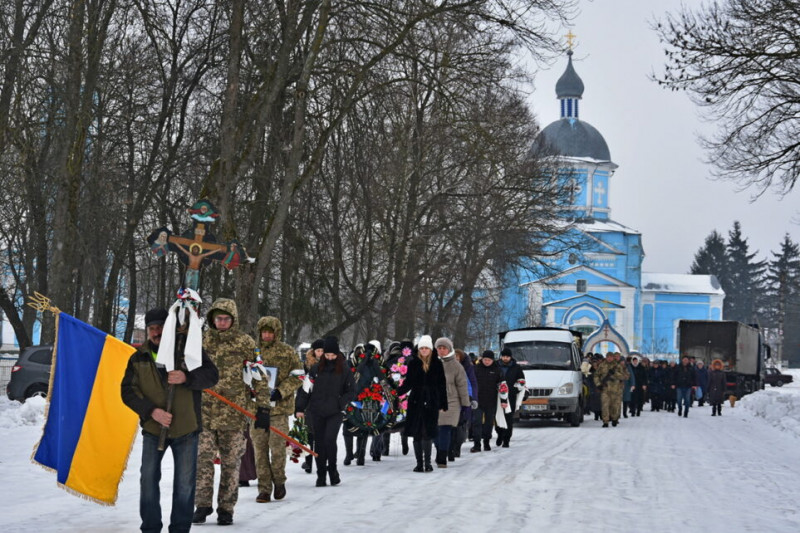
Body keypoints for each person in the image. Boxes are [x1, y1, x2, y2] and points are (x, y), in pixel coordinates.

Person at [121, 307, 219, 533]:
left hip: (186, 428)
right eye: (152, 328)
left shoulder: (188, 352)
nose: (156, 332)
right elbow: (127, 391)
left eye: (161, 327)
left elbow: (212, 375)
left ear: (170, 328)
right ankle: (151, 528)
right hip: (153, 429)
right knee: (147, 480)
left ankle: (180, 529)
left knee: (185, 485)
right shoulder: (139, 357)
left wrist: (187, 376)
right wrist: (151, 411)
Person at [193, 299, 256, 526]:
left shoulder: (245, 343)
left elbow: (258, 376)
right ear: (212, 319)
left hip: (234, 416)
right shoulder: (200, 340)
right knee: (202, 460)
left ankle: (226, 509)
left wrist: (264, 407)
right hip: (205, 413)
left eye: (226, 319)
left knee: (231, 464)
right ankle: (202, 504)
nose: (221, 322)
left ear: (233, 320)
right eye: (218, 318)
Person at [250, 316, 304, 503]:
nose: (266, 335)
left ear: (276, 333)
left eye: (270, 332)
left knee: (278, 448)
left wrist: (281, 391)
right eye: (263, 332)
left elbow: (298, 376)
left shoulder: (287, 352)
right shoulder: (251, 351)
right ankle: (264, 488)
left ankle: (279, 481)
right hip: (257, 409)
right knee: (260, 450)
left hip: (279, 410)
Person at [295, 336, 355, 487]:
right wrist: (300, 408)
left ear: (337, 354)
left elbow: (352, 390)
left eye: (332, 355)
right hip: (317, 410)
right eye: (327, 355)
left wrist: (341, 402)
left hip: (335, 411)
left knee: (330, 440)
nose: (329, 358)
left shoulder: (344, 370)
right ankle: (321, 474)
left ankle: (333, 470)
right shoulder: (315, 370)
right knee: (319, 443)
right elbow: (305, 390)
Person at [396, 335, 447, 472]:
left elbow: (442, 385)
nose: (424, 350)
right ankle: (419, 463)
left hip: (431, 401)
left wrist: (443, 403)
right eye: (422, 348)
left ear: (430, 349)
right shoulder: (413, 363)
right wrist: (397, 392)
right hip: (415, 401)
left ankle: (428, 463)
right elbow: (408, 383)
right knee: (417, 433)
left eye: (426, 348)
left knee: (427, 432)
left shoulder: (437, 364)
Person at [434, 337, 470, 468]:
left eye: (444, 348)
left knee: (445, 429)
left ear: (449, 349)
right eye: (439, 348)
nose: (442, 350)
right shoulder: (431, 363)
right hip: (434, 401)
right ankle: (439, 450)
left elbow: (462, 386)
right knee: (435, 431)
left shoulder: (456, 366)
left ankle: (442, 457)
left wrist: (465, 404)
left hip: (452, 402)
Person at [472, 350, 505, 452]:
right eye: (485, 359)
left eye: (489, 360)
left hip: (491, 401)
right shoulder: (475, 369)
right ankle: (476, 444)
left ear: (492, 360)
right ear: (482, 359)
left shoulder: (497, 370)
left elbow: (502, 387)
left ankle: (486, 442)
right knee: (476, 422)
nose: (486, 362)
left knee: (489, 423)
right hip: (477, 401)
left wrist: (504, 400)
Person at [300, 339, 324, 474]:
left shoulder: (330, 363)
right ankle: (308, 461)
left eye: (322, 351)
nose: (320, 353)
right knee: (309, 434)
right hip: (309, 402)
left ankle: (321, 460)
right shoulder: (307, 364)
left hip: (324, 402)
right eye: (318, 351)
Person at [450, 348, 477, 460]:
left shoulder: (467, 368)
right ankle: (449, 448)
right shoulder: (447, 366)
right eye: (454, 356)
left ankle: (457, 446)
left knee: (460, 426)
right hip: (449, 401)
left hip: (462, 401)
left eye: (458, 357)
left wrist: (471, 398)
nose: (456, 358)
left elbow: (471, 384)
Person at [495, 347, 525, 447]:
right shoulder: (496, 366)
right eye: (503, 356)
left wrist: (514, 390)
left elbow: (521, 381)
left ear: (510, 357)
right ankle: (500, 434)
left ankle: (506, 439)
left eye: (507, 356)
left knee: (508, 418)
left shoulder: (516, 367)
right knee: (498, 417)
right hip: (497, 396)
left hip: (511, 396)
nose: (505, 358)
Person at [593, 352, 629, 427]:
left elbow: (626, 376)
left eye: (611, 357)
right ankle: (605, 421)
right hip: (605, 389)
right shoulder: (602, 365)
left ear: (613, 358)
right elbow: (596, 375)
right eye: (608, 357)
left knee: (615, 406)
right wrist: (598, 384)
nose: (609, 358)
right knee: (605, 406)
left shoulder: (618, 366)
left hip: (616, 390)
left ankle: (614, 419)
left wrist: (615, 374)